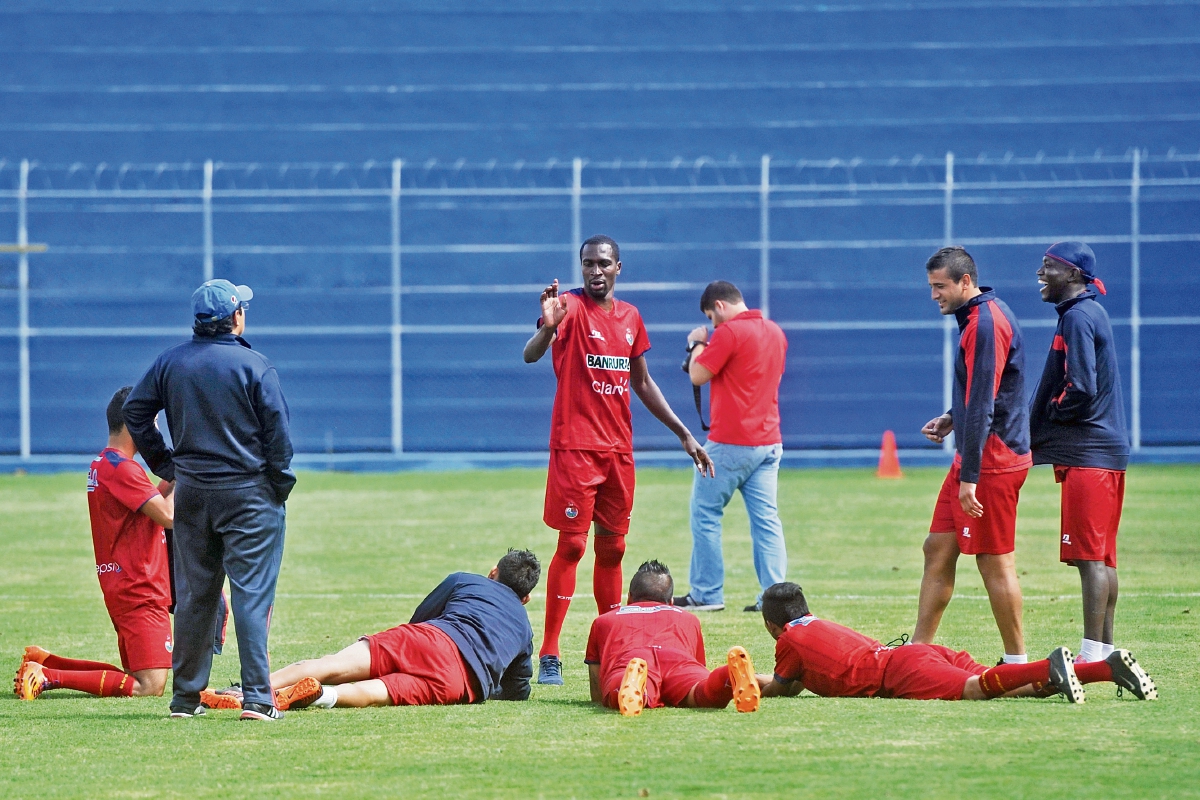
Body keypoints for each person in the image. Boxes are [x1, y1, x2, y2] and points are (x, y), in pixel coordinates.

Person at [523, 235, 715, 685]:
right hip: (575, 448)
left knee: (613, 549)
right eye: (587, 263)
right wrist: (548, 328)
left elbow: (643, 384)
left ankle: (609, 644)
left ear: (617, 268)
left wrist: (685, 434)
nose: (594, 270)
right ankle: (550, 651)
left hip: (618, 452)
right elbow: (531, 354)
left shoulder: (631, 318)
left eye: (602, 263)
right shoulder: (566, 308)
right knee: (571, 545)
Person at [123, 279, 296, 721]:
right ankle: (258, 699)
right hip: (249, 495)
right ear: (236, 317)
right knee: (251, 597)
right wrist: (279, 484)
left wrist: (167, 464)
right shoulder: (255, 366)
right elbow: (279, 437)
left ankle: (185, 700)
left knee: (197, 595)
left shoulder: (170, 362)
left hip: (195, 494)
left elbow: (135, 412)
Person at [202, 550, 542, 711]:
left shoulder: (466, 581)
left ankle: (251, 691)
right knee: (379, 692)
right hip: (461, 682)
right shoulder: (524, 629)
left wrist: (402, 651)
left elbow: (422, 617)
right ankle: (322, 696)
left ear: (492, 572)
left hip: (430, 639)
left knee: (331, 664)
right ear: (525, 598)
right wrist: (487, 686)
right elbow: (518, 688)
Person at [14, 387, 175, 701]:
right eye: (152, 424)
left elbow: (154, 502)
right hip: (140, 586)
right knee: (149, 686)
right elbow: (169, 514)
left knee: (136, 678)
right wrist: (195, 472)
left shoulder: (107, 464)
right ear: (135, 423)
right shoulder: (124, 470)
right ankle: (46, 676)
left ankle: (47, 663)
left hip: (124, 582)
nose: (155, 433)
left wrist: (179, 473)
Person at [914, 247, 1032, 664]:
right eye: (931, 286)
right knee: (938, 548)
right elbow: (984, 395)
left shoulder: (985, 324)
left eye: (939, 286)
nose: (934, 295)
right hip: (975, 456)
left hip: (991, 461)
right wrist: (952, 417)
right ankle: (917, 651)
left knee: (994, 563)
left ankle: (1018, 662)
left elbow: (984, 401)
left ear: (966, 282)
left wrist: (971, 477)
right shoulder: (978, 317)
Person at [757, 582, 1157, 703]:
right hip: (918, 653)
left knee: (975, 691)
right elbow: (795, 681)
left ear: (773, 625)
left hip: (900, 671)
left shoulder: (788, 641)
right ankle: (1106, 668)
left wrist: (747, 681)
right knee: (1009, 686)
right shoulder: (819, 625)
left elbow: (782, 688)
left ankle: (1050, 664)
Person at [1030, 242, 1130, 663]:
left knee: (1090, 559)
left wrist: (1052, 412)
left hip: (1088, 454)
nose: (1040, 273)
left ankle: (1091, 654)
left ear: (1072, 275)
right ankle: (1103, 650)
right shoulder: (1089, 312)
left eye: (1048, 266)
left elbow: (1081, 387)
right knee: (1103, 559)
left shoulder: (1077, 316)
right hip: (1104, 455)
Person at [674, 280, 788, 613]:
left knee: (705, 513)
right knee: (767, 521)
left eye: (712, 317)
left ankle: (707, 593)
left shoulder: (728, 333)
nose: (712, 324)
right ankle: (775, 598)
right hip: (768, 442)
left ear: (720, 306)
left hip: (730, 442)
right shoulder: (775, 332)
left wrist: (696, 344)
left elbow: (698, 374)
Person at [585, 560, 760, 716]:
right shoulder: (689, 618)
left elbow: (596, 683)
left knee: (622, 684)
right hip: (679, 661)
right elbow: (698, 665)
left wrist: (603, 698)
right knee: (701, 690)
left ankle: (635, 688)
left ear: (630, 598)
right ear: (671, 602)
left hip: (632, 660)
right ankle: (726, 677)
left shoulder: (604, 620)